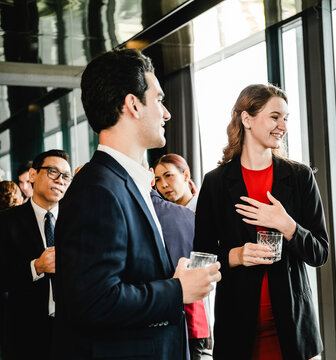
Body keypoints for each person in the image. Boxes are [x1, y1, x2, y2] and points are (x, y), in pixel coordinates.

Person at [53, 48, 221, 359]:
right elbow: (94, 301)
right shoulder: (98, 190)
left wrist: (174, 279)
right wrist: (178, 290)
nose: (167, 113)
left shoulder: (128, 183)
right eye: (159, 99)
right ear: (133, 104)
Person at [193, 84, 328, 359]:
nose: (283, 126)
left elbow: (320, 252)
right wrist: (237, 255)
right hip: (237, 329)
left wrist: (287, 225)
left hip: (293, 329)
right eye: (275, 116)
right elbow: (202, 258)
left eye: (286, 119)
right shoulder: (216, 182)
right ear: (247, 119)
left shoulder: (300, 177)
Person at [0, 149, 72, 360]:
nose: (60, 180)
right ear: (33, 175)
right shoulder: (7, 222)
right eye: (52, 172)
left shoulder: (77, 221)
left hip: (72, 331)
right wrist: (36, 267)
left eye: (66, 176)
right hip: (25, 333)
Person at [150, 187, 210, 360]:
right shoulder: (187, 215)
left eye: (168, 176)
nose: (164, 185)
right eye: (160, 179)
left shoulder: (151, 214)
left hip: (174, 311)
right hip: (194, 315)